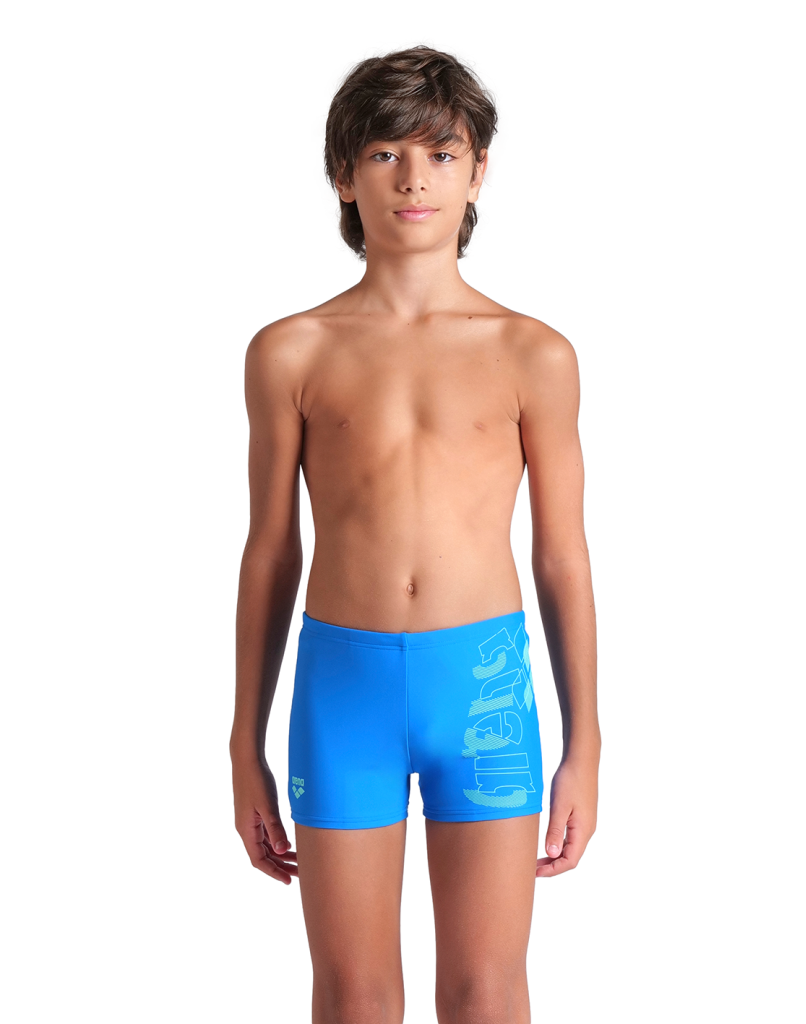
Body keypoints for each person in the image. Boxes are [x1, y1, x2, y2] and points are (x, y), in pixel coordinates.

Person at [230, 45, 599, 1024]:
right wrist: (242, 741)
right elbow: (270, 550)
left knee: (485, 992)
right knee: (353, 998)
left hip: (484, 687)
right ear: (344, 174)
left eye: (440, 153)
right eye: (386, 153)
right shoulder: (290, 351)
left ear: (478, 173)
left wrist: (586, 741)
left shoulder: (532, 352)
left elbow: (562, 555)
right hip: (339, 689)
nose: (413, 179)